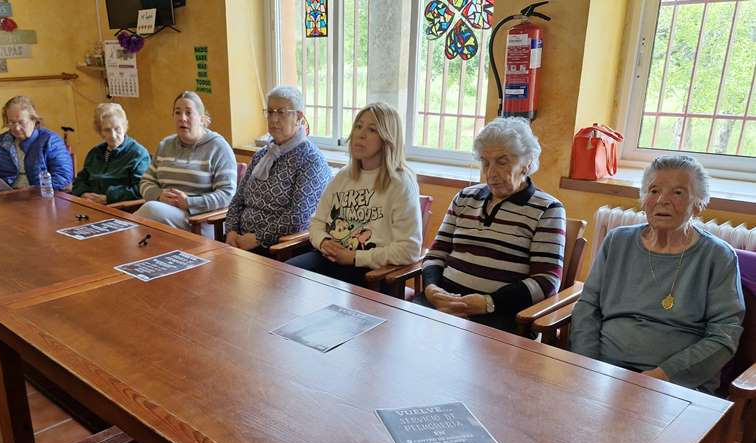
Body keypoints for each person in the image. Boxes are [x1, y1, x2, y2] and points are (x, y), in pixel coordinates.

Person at [570, 155, 744, 393]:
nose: (662, 200)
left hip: (675, 384)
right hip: (603, 372)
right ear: (643, 200)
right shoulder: (617, 242)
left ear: (699, 204)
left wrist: (661, 376)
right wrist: (587, 364)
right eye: (654, 191)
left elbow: (724, 336)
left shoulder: (718, 256)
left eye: (678, 193)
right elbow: (588, 306)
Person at [420, 117, 566, 333]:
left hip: (499, 316)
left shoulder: (548, 209)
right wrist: (432, 289)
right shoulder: (464, 198)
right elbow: (436, 254)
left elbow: (547, 281)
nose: (490, 173)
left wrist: (487, 303)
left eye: (502, 161)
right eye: (485, 162)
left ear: (527, 162)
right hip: (441, 304)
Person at [286, 102, 422, 286]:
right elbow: (317, 222)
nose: (361, 134)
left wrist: (355, 257)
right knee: (285, 276)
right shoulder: (343, 176)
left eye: (372, 130)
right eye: (358, 126)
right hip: (329, 259)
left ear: (388, 139)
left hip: (371, 271)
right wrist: (324, 241)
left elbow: (409, 249)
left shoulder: (401, 183)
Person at [225, 85, 331, 253]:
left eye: (281, 112)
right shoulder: (261, 155)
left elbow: (298, 217)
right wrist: (230, 232)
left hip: (275, 248)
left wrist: (257, 238)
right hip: (238, 241)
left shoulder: (311, 160)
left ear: (299, 117)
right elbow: (238, 199)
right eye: (270, 111)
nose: (273, 119)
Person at [136, 91, 237, 236]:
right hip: (161, 217)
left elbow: (227, 195)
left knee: (149, 211)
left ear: (202, 118)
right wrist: (159, 195)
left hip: (200, 221)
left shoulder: (218, 147)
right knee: (148, 217)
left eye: (189, 113)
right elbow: (146, 181)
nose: (182, 118)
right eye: (178, 113)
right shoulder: (165, 145)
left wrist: (190, 202)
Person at [0, 95, 73, 191]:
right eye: (11, 122)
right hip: (7, 198)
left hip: (40, 197)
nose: (17, 128)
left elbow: (63, 177)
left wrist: (34, 189)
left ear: (34, 120)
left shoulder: (50, 140)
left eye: (21, 122)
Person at [71, 103, 150, 205]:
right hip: (90, 205)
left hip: (119, 208)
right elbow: (80, 180)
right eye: (107, 130)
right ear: (100, 131)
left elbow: (141, 189)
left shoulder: (138, 154)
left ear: (125, 127)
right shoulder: (95, 153)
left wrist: (109, 197)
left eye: (117, 129)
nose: (113, 135)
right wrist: (83, 193)